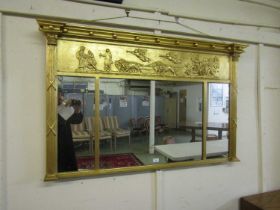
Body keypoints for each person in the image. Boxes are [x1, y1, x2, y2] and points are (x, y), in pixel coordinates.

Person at [57, 90, 83, 172]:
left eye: (61, 96)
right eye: (59, 96)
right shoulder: (51, 108)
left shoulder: (64, 107)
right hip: (56, 138)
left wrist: (77, 110)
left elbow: (77, 120)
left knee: (68, 158)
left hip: (66, 137)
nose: (61, 98)